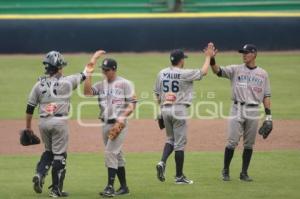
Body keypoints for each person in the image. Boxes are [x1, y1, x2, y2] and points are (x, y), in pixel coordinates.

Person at [26, 51, 88, 197]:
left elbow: (29, 108)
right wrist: (92, 61)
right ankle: (56, 190)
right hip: (59, 122)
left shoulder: (38, 84)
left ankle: (40, 173)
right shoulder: (68, 82)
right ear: (59, 67)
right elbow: (84, 74)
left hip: (43, 123)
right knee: (60, 155)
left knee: (49, 151)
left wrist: (28, 128)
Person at [154, 43, 215, 184]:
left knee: (170, 139)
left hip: (165, 109)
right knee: (179, 144)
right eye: (184, 59)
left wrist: (161, 112)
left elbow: (157, 94)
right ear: (181, 60)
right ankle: (179, 177)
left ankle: (162, 162)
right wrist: (208, 57)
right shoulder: (184, 73)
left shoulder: (161, 73)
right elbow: (204, 72)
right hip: (179, 110)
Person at [210, 44, 272, 182]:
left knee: (249, 144)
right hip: (237, 109)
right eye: (242, 53)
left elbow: (266, 96)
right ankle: (225, 171)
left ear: (254, 54)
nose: (244, 55)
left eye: (247, 53)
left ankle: (244, 173)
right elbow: (217, 71)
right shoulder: (235, 69)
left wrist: (268, 117)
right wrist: (212, 59)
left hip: (254, 110)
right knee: (232, 142)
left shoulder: (263, 74)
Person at [83, 50, 137, 197]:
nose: (104, 72)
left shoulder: (125, 84)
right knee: (117, 155)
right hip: (105, 124)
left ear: (114, 69)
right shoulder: (101, 85)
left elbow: (132, 105)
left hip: (119, 125)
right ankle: (124, 187)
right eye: (103, 70)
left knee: (110, 153)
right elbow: (87, 92)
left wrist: (122, 116)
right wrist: (88, 74)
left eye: (107, 70)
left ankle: (110, 187)